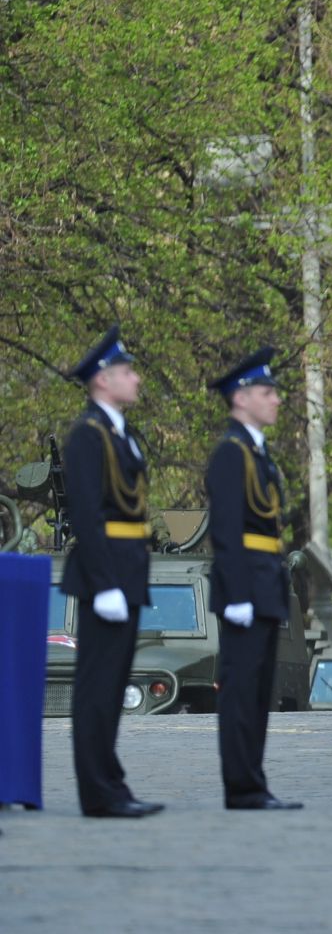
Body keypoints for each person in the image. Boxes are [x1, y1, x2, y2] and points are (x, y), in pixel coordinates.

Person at [59, 326, 164, 819]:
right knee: (97, 688)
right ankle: (98, 792)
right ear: (103, 380)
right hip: (106, 575)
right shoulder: (88, 435)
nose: (136, 379)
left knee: (112, 684)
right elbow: (86, 513)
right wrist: (104, 584)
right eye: (127, 372)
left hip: (127, 571)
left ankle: (112, 784)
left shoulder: (121, 432)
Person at [204, 348, 302, 810]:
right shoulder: (231, 453)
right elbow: (226, 529)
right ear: (241, 399)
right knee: (241, 692)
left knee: (258, 692)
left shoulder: (256, 454)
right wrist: (239, 593)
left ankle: (254, 783)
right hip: (245, 588)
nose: (276, 401)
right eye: (267, 392)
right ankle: (240, 787)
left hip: (265, 586)